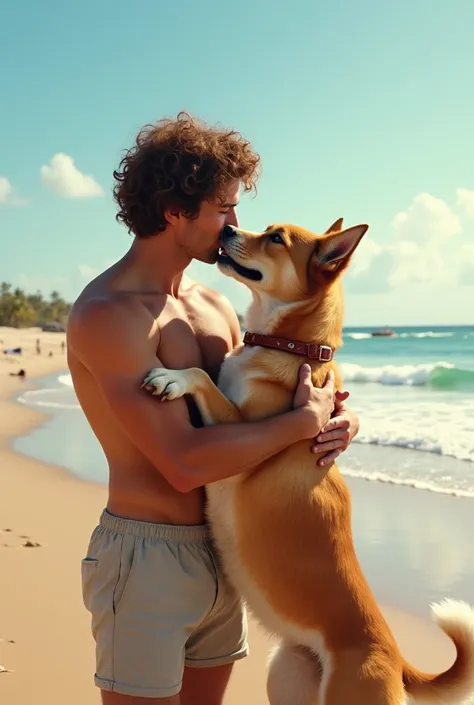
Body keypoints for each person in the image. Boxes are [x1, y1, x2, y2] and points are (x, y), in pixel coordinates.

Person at [67, 112, 360, 705]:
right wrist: (300, 423)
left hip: (227, 553)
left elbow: (275, 401)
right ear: (176, 211)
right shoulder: (109, 314)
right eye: (225, 208)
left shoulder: (214, 305)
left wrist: (338, 420)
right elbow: (183, 463)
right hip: (148, 556)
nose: (235, 225)